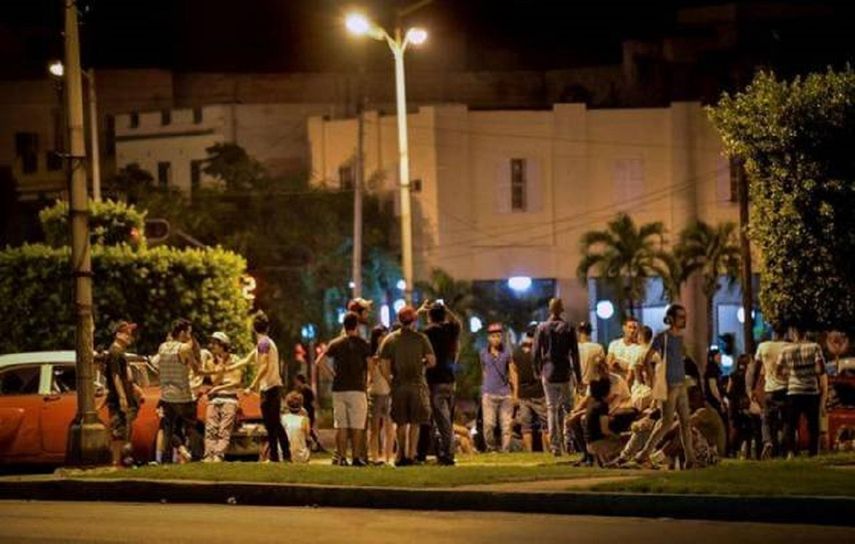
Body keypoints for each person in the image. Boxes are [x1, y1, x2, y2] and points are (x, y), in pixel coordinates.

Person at [634, 304, 696, 467]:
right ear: (671, 319)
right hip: (669, 385)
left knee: (685, 422)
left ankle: (690, 458)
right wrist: (653, 380)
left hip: (680, 384)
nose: (684, 320)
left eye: (685, 316)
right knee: (666, 422)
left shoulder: (681, 338)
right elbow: (646, 360)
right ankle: (645, 453)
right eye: (681, 317)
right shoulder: (663, 337)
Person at [378, 305, 436, 466]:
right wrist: (421, 363)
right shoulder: (421, 338)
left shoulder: (389, 339)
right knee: (415, 423)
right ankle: (411, 455)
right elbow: (432, 361)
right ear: (414, 321)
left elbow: (383, 364)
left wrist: (390, 380)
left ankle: (400, 455)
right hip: (417, 384)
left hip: (398, 385)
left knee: (401, 423)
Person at [317, 311, 371, 466]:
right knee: (357, 426)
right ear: (357, 325)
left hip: (339, 389)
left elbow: (319, 362)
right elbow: (371, 366)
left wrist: (331, 375)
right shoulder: (363, 344)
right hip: (357, 389)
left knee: (341, 426)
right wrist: (368, 381)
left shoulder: (336, 343)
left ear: (344, 325)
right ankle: (356, 457)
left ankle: (341, 458)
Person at [532, 297, 582, 456]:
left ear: (549, 309)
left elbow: (535, 352)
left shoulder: (542, 327)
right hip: (565, 372)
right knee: (568, 409)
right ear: (562, 309)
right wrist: (579, 376)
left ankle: (555, 447)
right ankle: (570, 442)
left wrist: (537, 370)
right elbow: (574, 353)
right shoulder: (568, 327)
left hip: (548, 372)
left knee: (551, 409)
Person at [244, 312, 291, 462]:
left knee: (274, 423)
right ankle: (276, 456)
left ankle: (284, 454)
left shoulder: (263, 343)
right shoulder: (265, 343)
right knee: (272, 424)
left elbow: (263, 366)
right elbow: (246, 360)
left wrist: (251, 385)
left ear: (253, 328)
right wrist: (226, 368)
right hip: (269, 388)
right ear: (268, 328)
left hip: (270, 388)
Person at [421, 301, 462, 465]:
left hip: (434, 379)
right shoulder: (450, 330)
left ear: (430, 317)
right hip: (450, 379)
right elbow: (457, 321)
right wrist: (446, 309)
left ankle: (447, 453)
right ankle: (444, 451)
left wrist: (420, 312)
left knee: (441, 419)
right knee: (447, 419)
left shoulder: (428, 331)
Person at [776, 326, 827, 457]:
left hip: (793, 391)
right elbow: (821, 369)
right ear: (806, 333)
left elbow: (778, 371)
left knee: (791, 424)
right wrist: (809, 371)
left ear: (793, 333)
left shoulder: (785, 349)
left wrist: (790, 373)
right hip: (811, 391)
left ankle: (791, 452)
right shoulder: (814, 347)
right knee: (813, 425)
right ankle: (813, 452)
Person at [158, 318, 201, 464]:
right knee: (191, 427)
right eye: (189, 332)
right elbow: (197, 369)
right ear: (182, 332)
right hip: (183, 396)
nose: (190, 335)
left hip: (166, 395)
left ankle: (166, 460)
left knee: (168, 430)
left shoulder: (162, 347)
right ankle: (196, 457)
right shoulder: (184, 348)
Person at [748, 325, 790, 458]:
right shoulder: (789, 347)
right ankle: (784, 449)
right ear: (785, 334)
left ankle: (768, 441)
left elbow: (756, 369)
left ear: (773, 333)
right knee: (786, 420)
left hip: (770, 389)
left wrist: (753, 388)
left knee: (766, 419)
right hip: (787, 389)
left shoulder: (763, 347)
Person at [201, 332, 241, 463]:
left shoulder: (235, 359)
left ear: (222, 345)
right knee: (210, 428)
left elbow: (236, 381)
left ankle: (218, 455)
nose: (212, 346)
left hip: (229, 398)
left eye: (215, 343)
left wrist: (218, 388)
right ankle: (208, 455)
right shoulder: (211, 362)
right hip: (215, 399)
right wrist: (221, 367)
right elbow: (215, 381)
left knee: (224, 429)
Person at [105, 321, 141, 466]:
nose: (130, 337)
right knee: (118, 431)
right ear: (118, 334)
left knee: (123, 430)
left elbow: (125, 375)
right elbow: (115, 376)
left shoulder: (120, 352)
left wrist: (134, 388)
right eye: (127, 334)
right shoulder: (115, 352)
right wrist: (122, 397)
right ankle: (115, 462)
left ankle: (120, 462)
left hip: (126, 395)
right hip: (120, 398)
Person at [511, 331, 548, 452]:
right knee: (545, 425)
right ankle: (547, 451)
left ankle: (529, 452)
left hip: (523, 393)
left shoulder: (516, 352)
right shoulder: (541, 351)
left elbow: (513, 371)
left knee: (526, 427)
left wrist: (515, 392)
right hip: (539, 392)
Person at [480, 323, 514, 453]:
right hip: (489, 393)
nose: (496, 339)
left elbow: (512, 372)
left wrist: (514, 393)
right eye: (493, 336)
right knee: (489, 424)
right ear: (489, 338)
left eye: (499, 336)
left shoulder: (507, 353)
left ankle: (505, 450)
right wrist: (484, 389)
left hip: (505, 393)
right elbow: (483, 371)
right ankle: (491, 448)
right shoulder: (483, 353)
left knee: (506, 426)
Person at [367, 326, 394, 465]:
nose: (383, 338)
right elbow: (370, 375)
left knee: (390, 428)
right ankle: (375, 457)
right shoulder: (371, 355)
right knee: (375, 428)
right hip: (376, 392)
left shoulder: (390, 353)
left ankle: (388, 457)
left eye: (385, 335)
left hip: (388, 392)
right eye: (381, 335)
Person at [584, 377, 623, 465]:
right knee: (624, 443)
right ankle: (610, 461)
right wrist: (617, 436)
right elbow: (605, 430)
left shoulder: (592, 403)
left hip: (589, 442)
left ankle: (603, 460)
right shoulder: (602, 406)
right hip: (597, 443)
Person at [293, 374, 323, 452]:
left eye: (296, 381)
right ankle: (314, 444)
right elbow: (313, 400)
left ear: (299, 380)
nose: (295, 383)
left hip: (307, 411)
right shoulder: (306, 388)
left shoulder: (303, 389)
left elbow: (304, 401)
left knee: (307, 429)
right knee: (308, 429)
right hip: (309, 411)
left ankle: (315, 444)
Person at [607, 316, 640, 380]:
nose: (632, 330)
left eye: (635, 328)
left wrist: (621, 365)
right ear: (624, 328)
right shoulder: (614, 344)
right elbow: (609, 364)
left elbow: (635, 369)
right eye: (629, 327)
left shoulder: (638, 348)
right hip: (615, 381)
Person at [282, 391, 311, 464]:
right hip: (300, 456)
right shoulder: (305, 420)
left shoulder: (283, 419)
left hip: (284, 455)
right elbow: (307, 437)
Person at [577, 321, 605, 388]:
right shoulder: (598, 347)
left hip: (577, 385)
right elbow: (603, 369)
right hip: (593, 386)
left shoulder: (573, 348)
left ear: (578, 332)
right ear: (590, 332)